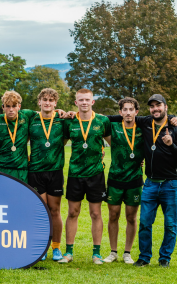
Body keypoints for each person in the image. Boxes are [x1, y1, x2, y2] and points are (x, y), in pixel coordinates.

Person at [58, 88, 111, 265]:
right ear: (76, 103)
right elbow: (60, 144)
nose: (84, 103)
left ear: (92, 102)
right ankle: (68, 252)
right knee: (73, 212)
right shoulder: (70, 122)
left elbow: (114, 145)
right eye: (80, 100)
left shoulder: (102, 121)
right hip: (75, 173)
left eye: (87, 100)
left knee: (96, 213)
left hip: (96, 174)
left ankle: (96, 254)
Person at [130, 94, 177, 267]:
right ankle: (144, 257)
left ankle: (164, 258)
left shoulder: (174, 127)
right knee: (144, 223)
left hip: (171, 184)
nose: (155, 108)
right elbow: (118, 117)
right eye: (152, 106)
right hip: (149, 183)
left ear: (165, 106)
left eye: (159, 105)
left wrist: (171, 144)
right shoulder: (144, 122)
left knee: (171, 224)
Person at [103, 98, 144, 265]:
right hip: (115, 178)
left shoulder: (143, 128)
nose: (128, 112)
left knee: (131, 217)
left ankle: (127, 253)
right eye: (125, 110)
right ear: (120, 112)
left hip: (135, 179)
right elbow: (96, 119)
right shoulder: (113, 126)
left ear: (136, 112)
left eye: (131, 109)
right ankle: (113, 252)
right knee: (113, 215)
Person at [27, 88, 66, 262]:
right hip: (35, 171)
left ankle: (56, 247)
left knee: (55, 210)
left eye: (51, 100)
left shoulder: (62, 119)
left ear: (55, 103)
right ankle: (41, 247)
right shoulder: (31, 119)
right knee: (40, 210)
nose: (48, 103)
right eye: (45, 100)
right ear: (39, 102)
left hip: (55, 171)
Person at [0, 91, 36, 182]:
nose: (11, 109)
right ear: (3, 107)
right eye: (8, 106)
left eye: (14, 106)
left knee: (20, 195)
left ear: (19, 106)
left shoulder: (26, 115)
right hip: (2, 168)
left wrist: (58, 111)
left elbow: (44, 114)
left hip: (21, 169)